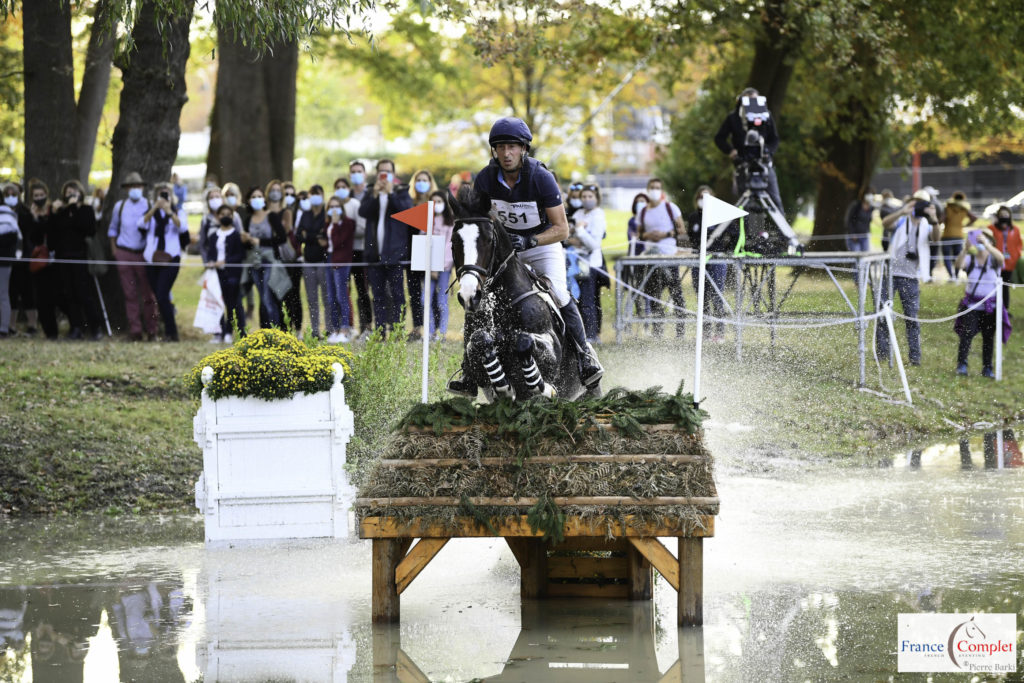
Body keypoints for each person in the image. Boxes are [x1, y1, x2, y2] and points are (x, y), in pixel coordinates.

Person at [449, 116, 602, 394]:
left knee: (559, 292)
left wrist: (531, 239)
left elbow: (562, 229)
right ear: (494, 151)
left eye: (512, 147)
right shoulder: (485, 179)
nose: (506, 153)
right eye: (500, 147)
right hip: (505, 250)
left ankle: (584, 356)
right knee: (478, 299)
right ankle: (468, 372)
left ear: (523, 149)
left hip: (543, 244)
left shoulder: (541, 178)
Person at [876, 198, 941, 365]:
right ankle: (883, 353)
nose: (919, 208)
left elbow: (936, 239)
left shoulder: (927, 225)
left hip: (911, 277)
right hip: (890, 274)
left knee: (912, 318)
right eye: (916, 204)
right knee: (883, 313)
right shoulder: (901, 220)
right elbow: (885, 223)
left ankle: (915, 357)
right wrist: (902, 211)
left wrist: (934, 219)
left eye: (923, 206)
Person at [359, 159, 413, 336]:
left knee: (398, 295)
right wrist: (375, 195)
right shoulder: (370, 192)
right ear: (377, 174)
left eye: (388, 171)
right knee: (378, 295)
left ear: (393, 174)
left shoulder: (401, 191)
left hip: (395, 254)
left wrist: (390, 194)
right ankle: (380, 330)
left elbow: (405, 211)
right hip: (374, 254)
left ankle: (397, 331)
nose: (384, 175)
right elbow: (363, 212)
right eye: (381, 171)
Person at [44, 180, 104, 340]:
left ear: (80, 193)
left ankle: (95, 327)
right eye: (68, 192)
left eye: (74, 192)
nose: (71, 195)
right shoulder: (60, 212)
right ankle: (76, 327)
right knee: (69, 295)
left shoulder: (86, 210)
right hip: (63, 258)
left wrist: (72, 208)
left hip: (80, 258)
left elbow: (87, 229)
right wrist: (54, 214)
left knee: (84, 294)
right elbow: (53, 235)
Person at [715, 87, 784, 213]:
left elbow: (774, 139)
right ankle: (753, 231)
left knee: (774, 199)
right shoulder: (733, 118)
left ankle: (782, 230)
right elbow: (719, 138)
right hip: (743, 165)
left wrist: (767, 151)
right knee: (748, 203)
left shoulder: (766, 116)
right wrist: (731, 151)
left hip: (764, 165)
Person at [108, 172, 158, 340]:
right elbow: (113, 229)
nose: (135, 189)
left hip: (143, 254)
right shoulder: (120, 206)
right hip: (124, 252)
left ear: (142, 188)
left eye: (138, 186)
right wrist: (114, 250)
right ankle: (135, 330)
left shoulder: (149, 205)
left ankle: (152, 329)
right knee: (129, 294)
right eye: (132, 187)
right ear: (127, 189)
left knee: (148, 294)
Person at [954, 225, 1008, 378]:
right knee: (967, 334)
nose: (980, 241)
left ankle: (987, 368)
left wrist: (987, 245)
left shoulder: (993, 258)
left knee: (988, 337)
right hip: (972, 305)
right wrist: (965, 249)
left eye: (984, 238)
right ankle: (962, 364)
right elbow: (958, 266)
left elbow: (1001, 259)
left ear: (991, 241)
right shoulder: (970, 258)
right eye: (978, 238)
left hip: (990, 306)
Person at [639, 177, 688, 338]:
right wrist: (649, 235)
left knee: (676, 293)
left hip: (669, 256)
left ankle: (680, 332)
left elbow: (681, 229)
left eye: (657, 187)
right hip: (652, 257)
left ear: (661, 190)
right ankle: (657, 331)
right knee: (654, 295)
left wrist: (665, 234)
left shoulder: (670, 207)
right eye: (652, 187)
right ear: (648, 190)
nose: (654, 189)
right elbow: (639, 233)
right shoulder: (644, 211)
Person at [140, 182, 187, 341]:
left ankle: (171, 332)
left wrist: (168, 211)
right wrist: (155, 208)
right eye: (161, 194)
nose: (164, 197)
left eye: (166, 194)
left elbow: (182, 228)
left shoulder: (178, 211)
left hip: (171, 258)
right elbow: (141, 224)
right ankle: (168, 331)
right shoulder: (151, 212)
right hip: (151, 258)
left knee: (161, 294)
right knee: (160, 296)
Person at [204, 203, 252, 341]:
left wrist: (225, 262)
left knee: (233, 304)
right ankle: (219, 331)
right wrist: (211, 262)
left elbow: (240, 255)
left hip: (232, 274)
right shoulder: (214, 236)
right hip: (216, 274)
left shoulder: (236, 235)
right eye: (222, 214)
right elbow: (210, 252)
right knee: (217, 303)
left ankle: (230, 332)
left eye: (228, 214)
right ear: (218, 216)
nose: (225, 217)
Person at [243, 185, 287, 328]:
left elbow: (282, 238)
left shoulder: (271, 216)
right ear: (249, 201)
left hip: (270, 261)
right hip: (255, 263)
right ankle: (266, 331)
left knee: (269, 299)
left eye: (259, 196)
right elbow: (246, 246)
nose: (257, 199)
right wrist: (246, 241)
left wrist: (260, 241)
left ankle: (276, 332)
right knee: (263, 298)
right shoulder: (248, 220)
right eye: (253, 197)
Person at [686, 185, 727, 341]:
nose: (703, 201)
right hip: (699, 259)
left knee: (717, 296)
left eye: (707, 197)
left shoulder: (719, 216)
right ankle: (706, 331)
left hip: (716, 259)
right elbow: (692, 237)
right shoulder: (693, 218)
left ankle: (720, 332)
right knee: (702, 297)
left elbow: (731, 234)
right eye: (701, 197)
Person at [566, 183, 605, 342]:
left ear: (596, 198)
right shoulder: (579, 214)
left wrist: (580, 232)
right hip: (574, 262)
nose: (586, 199)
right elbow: (567, 238)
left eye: (590, 196)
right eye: (584, 196)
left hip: (591, 264)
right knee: (576, 299)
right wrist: (578, 239)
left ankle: (591, 335)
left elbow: (594, 244)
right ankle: (578, 334)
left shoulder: (598, 215)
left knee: (588, 301)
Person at [406, 169, 438, 341]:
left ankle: (434, 329)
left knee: (431, 294)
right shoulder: (409, 202)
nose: (421, 183)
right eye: (418, 180)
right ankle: (418, 327)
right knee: (414, 293)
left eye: (425, 180)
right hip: (412, 254)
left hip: (431, 253)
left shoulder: (437, 203)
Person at [267, 179, 302, 331]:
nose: (275, 193)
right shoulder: (263, 212)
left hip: (285, 259)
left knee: (289, 296)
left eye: (277, 190)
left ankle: (290, 328)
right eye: (272, 190)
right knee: (272, 297)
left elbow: (284, 232)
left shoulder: (286, 212)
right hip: (269, 258)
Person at [4, 182, 37, 336]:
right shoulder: (2, 212)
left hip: (24, 257)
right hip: (7, 259)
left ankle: (32, 325)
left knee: (27, 291)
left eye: (13, 194)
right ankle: (11, 325)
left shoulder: (25, 212)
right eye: (7, 194)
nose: (10, 197)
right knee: (11, 292)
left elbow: (29, 234)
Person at [297, 184, 330, 338]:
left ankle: (329, 328)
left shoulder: (326, 214)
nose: (315, 197)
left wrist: (308, 235)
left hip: (323, 261)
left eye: (318, 193)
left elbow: (326, 237)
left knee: (326, 297)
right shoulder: (306, 214)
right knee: (312, 299)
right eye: (312, 194)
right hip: (308, 261)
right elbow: (299, 236)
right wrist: (316, 236)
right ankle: (315, 331)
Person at [324, 191, 355, 343]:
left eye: (337, 207)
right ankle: (335, 329)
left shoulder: (347, 223)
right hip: (329, 259)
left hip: (341, 261)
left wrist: (336, 224)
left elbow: (338, 242)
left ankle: (345, 328)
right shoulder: (327, 223)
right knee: (331, 297)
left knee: (341, 295)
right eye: (331, 207)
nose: (334, 210)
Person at [348, 160, 373, 339]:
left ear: (364, 174)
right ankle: (358, 327)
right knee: (354, 290)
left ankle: (370, 326)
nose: (356, 174)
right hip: (349, 250)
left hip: (367, 249)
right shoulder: (346, 195)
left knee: (367, 290)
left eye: (359, 171)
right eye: (353, 171)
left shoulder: (370, 195)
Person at [426, 190, 455, 341]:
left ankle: (442, 333)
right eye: (434, 201)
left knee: (441, 301)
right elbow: (423, 243)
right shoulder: (426, 221)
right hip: (428, 269)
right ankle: (430, 332)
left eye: (439, 201)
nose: (437, 205)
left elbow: (449, 246)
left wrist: (438, 266)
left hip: (444, 268)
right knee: (426, 300)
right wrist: (429, 266)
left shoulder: (450, 223)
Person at [989, 205, 1022, 307]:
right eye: (1002, 215)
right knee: (993, 286)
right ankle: (993, 308)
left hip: (1009, 263)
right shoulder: (992, 228)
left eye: (1006, 215)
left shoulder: (1015, 229)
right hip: (995, 261)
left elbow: (1018, 245)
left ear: (1010, 216)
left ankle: (1005, 310)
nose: (1004, 217)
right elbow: (987, 240)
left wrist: (1015, 257)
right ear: (998, 216)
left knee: (1005, 286)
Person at [940, 191, 975, 281]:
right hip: (959, 235)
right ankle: (956, 275)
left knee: (947, 257)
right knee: (958, 257)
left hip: (947, 235)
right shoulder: (964, 209)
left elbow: (941, 220)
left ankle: (951, 276)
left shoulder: (948, 207)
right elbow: (974, 218)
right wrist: (965, 225)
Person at [0, 183, 19, 337]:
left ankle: (4, 328)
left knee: (3, 294)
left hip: (4, 262)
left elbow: (12, 239)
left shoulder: (9, 217)